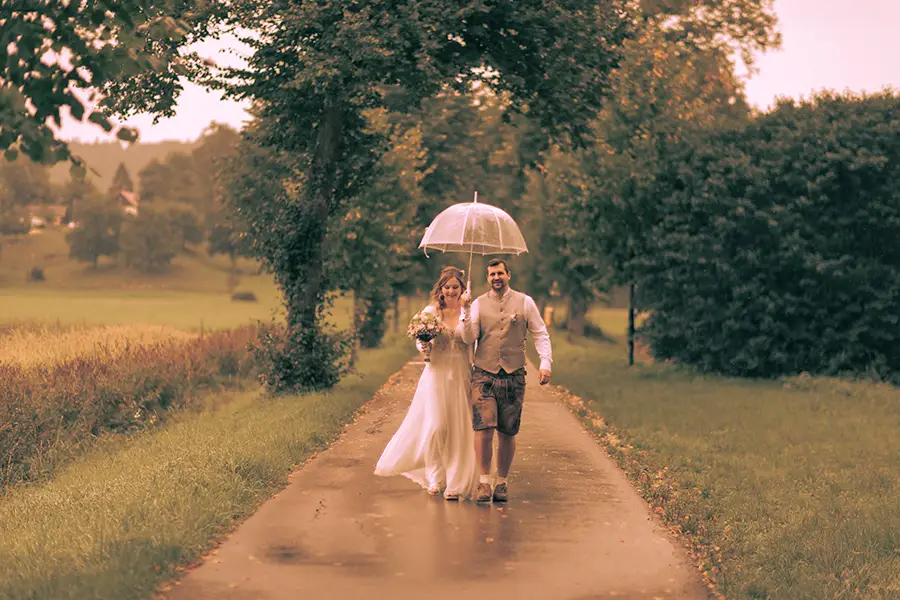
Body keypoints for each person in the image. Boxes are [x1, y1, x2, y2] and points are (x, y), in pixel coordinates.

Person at [374, 266, 478, 500]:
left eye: (455, 287)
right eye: (447, 287)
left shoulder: (468, 311)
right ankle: (435, 477)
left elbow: (470, 337)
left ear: (462, 289)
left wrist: (467, 311)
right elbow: (420, 338)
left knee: (458, 427)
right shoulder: (431, 312)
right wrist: (423, 346)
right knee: (437, 427)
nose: (451, 291)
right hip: (436, 373)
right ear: (440, 289)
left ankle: (455, 481)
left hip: (460, 372)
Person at [460, 258, 552, 503]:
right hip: (483, 373)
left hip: (514, 374)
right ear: (487, 278)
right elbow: (469, 338)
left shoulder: (525, 302)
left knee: (508, 430)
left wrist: (545, 364)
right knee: (483, 426)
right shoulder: (477, 304)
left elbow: (540, 333)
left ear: (508, 275)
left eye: (500, 273)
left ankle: (502, 481)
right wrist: (466, 311)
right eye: (491, 275)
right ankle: (483, 482)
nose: (496, 278)